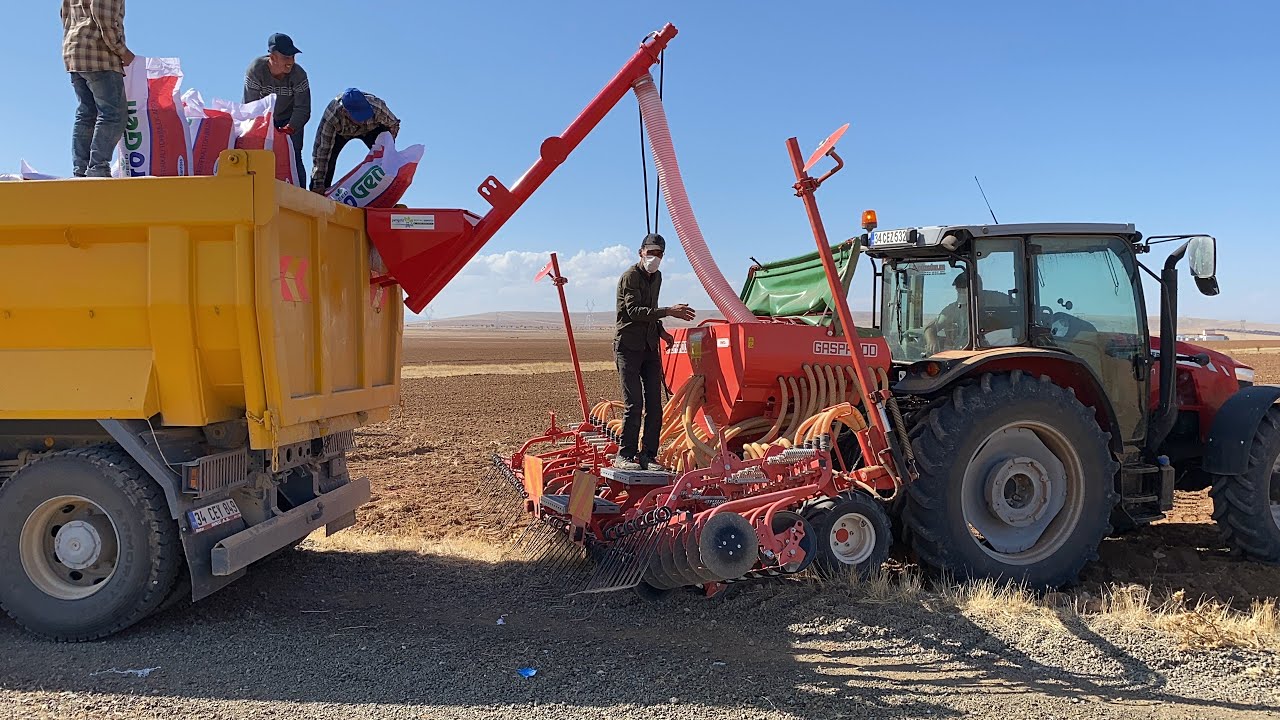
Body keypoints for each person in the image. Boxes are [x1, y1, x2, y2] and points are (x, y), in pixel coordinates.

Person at [613, 233, 696, 471]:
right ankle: (625, 455)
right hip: (628, 347)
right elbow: (634, 311)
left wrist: (661, 332)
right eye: (651, 253)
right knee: (634, 404)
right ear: (641, 252)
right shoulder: (630, 277)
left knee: (655, 405)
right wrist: (669, 311)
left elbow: (649, 310)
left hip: (649, 347)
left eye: (659, 254)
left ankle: (648, 455)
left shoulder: (656, 277)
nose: (654, 258)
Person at [61, 0, 134, 178]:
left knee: (87, 113)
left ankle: (81, 169)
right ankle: (98, 168)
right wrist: (122, 51)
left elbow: (65, 16)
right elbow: (104, 17)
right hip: (99, 55)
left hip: (74, 52)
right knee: (113, 114)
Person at [243, 33, 310, 185]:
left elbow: (303, 108)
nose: (291, 62)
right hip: (263, 118)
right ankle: (256, 188)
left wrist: (291, 127)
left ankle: (300, 195)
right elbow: (251, 106)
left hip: (290, 118)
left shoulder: (299, 75)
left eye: (293, 57)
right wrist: (265, 127)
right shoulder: (255, 70)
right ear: (272, 57)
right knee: (258, 154)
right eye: (286, 57)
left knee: (294, 155)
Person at [309, 89, 401, 193]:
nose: (361, 120)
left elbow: (393, 124)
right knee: (327, 163)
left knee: (385, 158)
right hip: (341, 134)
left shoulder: (377, 107)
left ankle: (386, 189)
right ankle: (319, 195)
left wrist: (388, 148)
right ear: (345, 112)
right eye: (358, 116)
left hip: (371, 130)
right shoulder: (332, 116)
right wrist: (318, 183)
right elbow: (322, 152)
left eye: (364, 114)